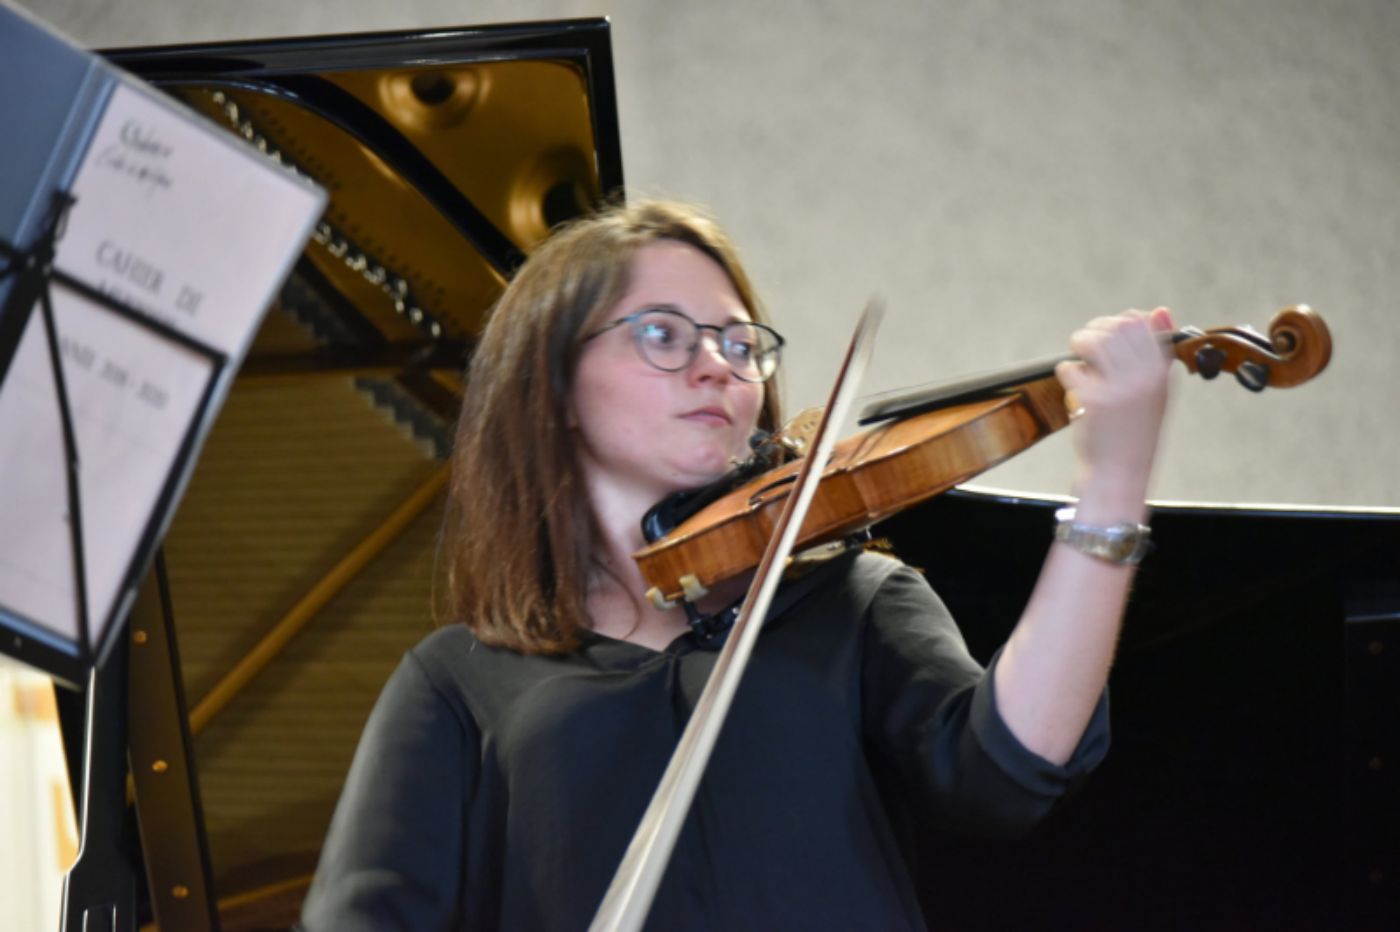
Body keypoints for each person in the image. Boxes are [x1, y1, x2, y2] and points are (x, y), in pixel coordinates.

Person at [299, 199, 1174, 930]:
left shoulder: (850, 602)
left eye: (739, 343)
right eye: (663, 334)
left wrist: (1113, 484)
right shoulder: (461, 681)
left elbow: (1005, 771)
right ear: (554, 385)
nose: (717, 366)